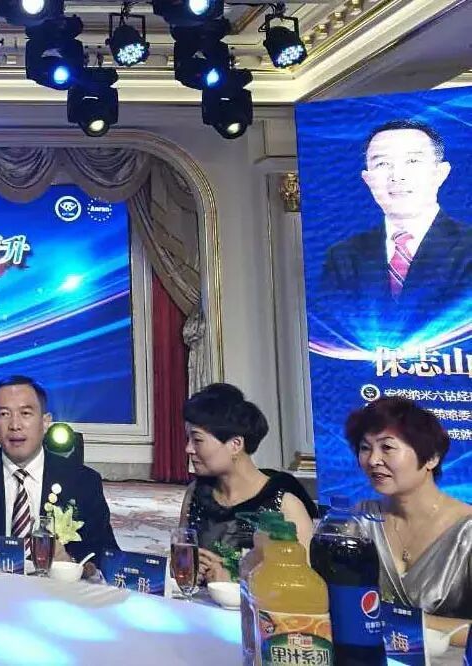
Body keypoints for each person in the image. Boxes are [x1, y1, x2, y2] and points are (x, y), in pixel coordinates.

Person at [0, 376, 118, 575]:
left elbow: (107, 556)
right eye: (4, 414)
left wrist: (71, 562)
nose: (15, 425)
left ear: (45, 421)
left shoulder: (83, 481)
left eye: (25, 413)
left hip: (56, 590)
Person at [319, 119, 472, 333]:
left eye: (412, 161)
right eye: (382, 164)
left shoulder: (468, 247)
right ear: (367, 179)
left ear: (441, 173)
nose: (397, 176)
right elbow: (333, 330)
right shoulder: (343, 255)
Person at [348, 397, 471, 647]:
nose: (373, 460)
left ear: (431, 458)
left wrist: (400, 623)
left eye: (387, 447)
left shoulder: (466, 531)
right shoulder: (358, 521)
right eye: (365, 448)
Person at [178, 383, 317, 584]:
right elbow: (181, 558)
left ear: (235, 445)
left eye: (197, 440)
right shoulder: (196, 493)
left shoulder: (285, 505)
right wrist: (187, 565)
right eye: (188, 439)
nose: (188, 449)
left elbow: (303, 584)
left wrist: (236, 581)